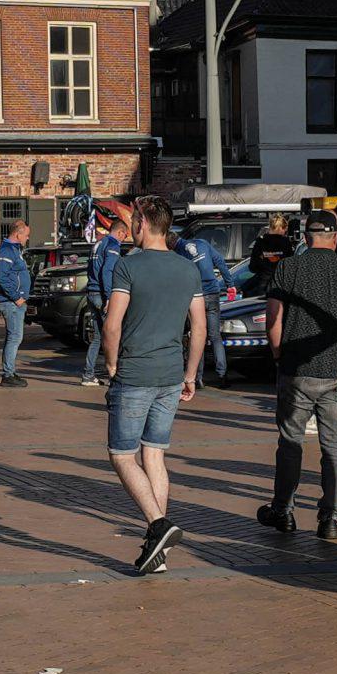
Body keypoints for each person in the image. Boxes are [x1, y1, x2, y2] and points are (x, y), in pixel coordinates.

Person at [102, 196, 207, 575]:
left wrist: (112, 363)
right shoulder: (188, 269)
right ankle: (158, 551)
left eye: (133, 220)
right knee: (155, 455)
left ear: (143, 223)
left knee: (121, 455)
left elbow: (112, 324)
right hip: (170, 374)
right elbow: (199, 327)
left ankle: (158, 525)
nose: (131, 226)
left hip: (135, 373)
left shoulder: (128, 266)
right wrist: (190, 375)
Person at [258, 210, 337, 539]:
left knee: (290, 443)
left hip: (297, 369)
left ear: (305, 237)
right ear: (336, 238)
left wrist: (278, 354)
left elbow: (273, 317)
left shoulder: (288, 268)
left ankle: (284, 510)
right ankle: (330, 518)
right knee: (334, 447)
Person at [174, 226, 237, 388]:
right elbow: (220, 261)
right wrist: (230, 284)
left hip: (196, 296)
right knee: (215, 336)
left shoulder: (179, 252)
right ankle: (222, 375)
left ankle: (198, 378)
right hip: (213, 293)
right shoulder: (202, 243)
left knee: (197, 334)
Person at [81, 202, 129, 387]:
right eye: (125, 235)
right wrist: (109, 296)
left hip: (91, 292)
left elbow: (90, 268)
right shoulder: (112, 245)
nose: (124, 239)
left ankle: (88, 375)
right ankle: (114, 375)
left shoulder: (98, 244)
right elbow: (108, 271)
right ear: (120, 232)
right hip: (102, 295)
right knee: (113, 334)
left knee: (98, 337)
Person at [0, 217, 32, 387]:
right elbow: (2, 277)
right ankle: (8, 375)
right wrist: (16, 297)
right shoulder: (6, 251)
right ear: (18, 234)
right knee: (14, 337)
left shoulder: (14, 250)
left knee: (14, 337)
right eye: (26, 235)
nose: (27, 238)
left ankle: (10, 371)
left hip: (15, 302)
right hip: (11, 302)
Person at [249, 213, 294, 287]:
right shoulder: (286, 243)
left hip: (263, 285)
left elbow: (252, 267)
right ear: (282, 228)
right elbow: (291, 267)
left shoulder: (260, 242)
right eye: (285, 230)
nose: (285, 232)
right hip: (281, 286)